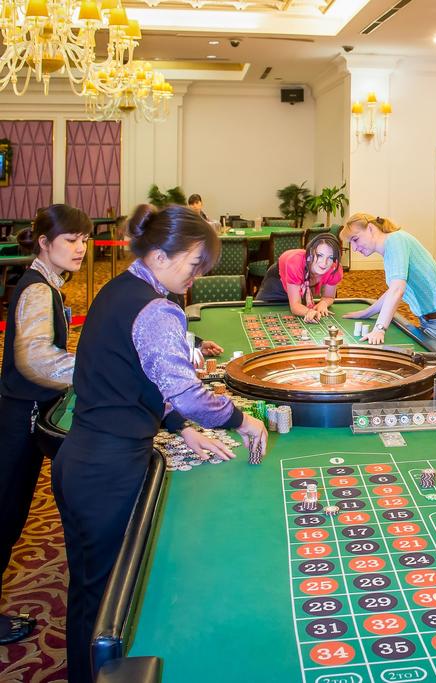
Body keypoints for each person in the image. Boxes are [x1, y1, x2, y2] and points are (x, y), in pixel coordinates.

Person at [52, 204, 268, 683]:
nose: (197, 276)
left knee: (90, 594)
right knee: (105, 608)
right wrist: (241, 421)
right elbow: (186, 391)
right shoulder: (157, 309)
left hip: (81, 460)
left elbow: (137, 378)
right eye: (194, 263)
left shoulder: (119, 289)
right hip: (108, 470)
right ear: (160, 254)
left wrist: (181, 427)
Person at [0, 205, 90, 645]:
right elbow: (35, 360)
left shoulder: (47, 283)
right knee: (4, 514)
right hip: (19, 418)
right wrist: (94, 371)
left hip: (22, 413)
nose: (80, 248)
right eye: (71, 240)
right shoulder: (38, 289)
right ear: (43, 242)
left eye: (84, 240)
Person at [341, 213, 436, 346]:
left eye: (355, 239)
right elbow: (392, 291)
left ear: (371, 228)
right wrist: (366, 313)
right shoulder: (393, 243)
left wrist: (379, 329)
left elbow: (397, 290)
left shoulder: (395, 241)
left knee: (434, 360)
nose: (354, 248)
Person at [254, 233, 344, 322]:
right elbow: (295, 306)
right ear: (311, 252)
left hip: (303, 289)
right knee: (262, 314)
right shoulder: (295, 263)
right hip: (277, 284)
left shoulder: (334, 268)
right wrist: (309, 312)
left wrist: (323, 303)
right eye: (319, 255)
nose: (324, 263)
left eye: (331, 257)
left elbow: (329, 297)